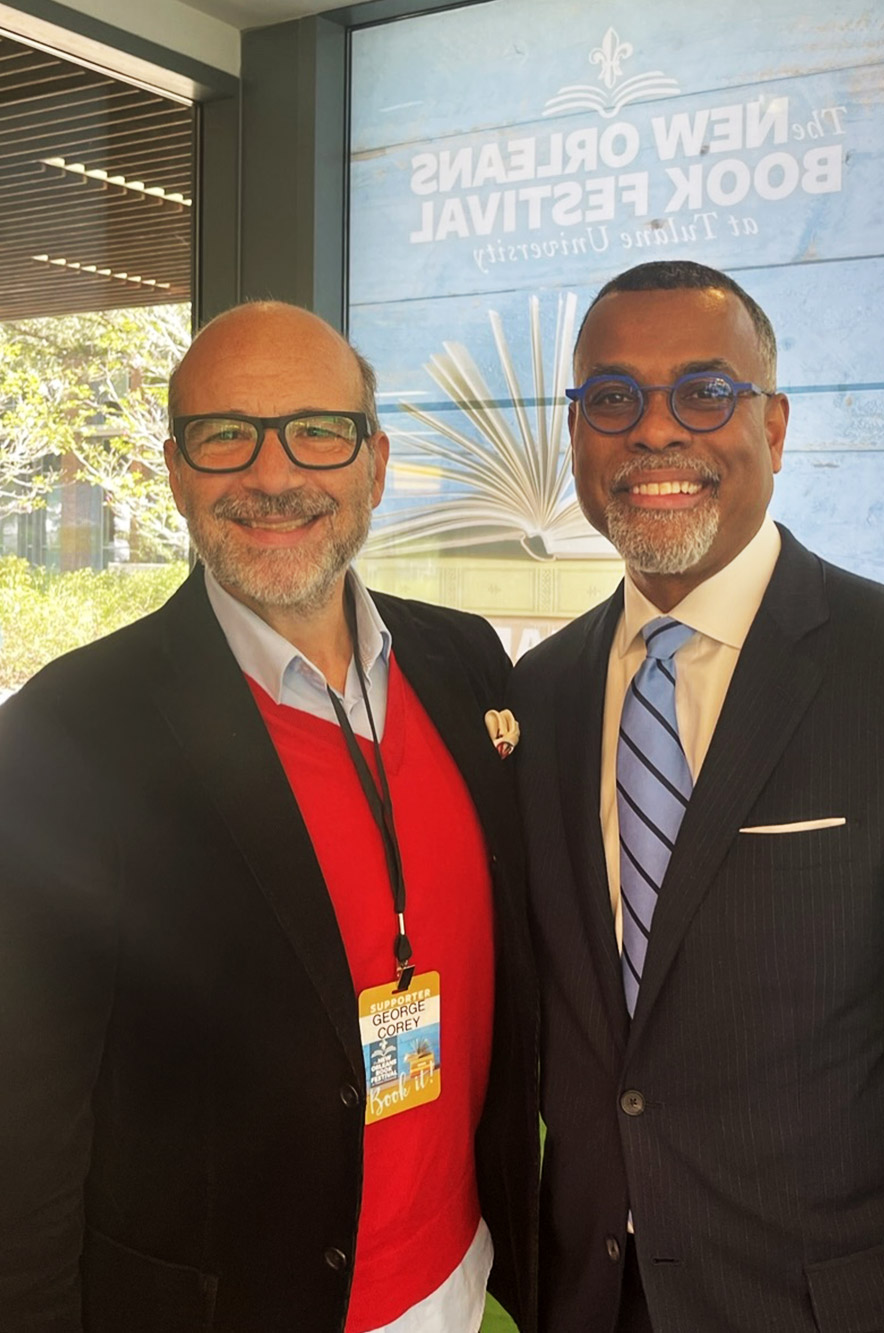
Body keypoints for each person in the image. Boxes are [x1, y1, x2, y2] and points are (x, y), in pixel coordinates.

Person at [0, 302, 538, 1333]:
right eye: (225, 435)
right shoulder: (71, 735)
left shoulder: (465, 663)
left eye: (317, 431)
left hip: (458, 1272)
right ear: (175, 471)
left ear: (375, 463)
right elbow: (20, 1129)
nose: (272, 473)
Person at [508, 259, 884, 1332]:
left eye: (704, 392)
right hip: (589, 1297)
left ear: (772, 428)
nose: (653, 429)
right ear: (576, 434)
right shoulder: (538, 698)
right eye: (611, 397)